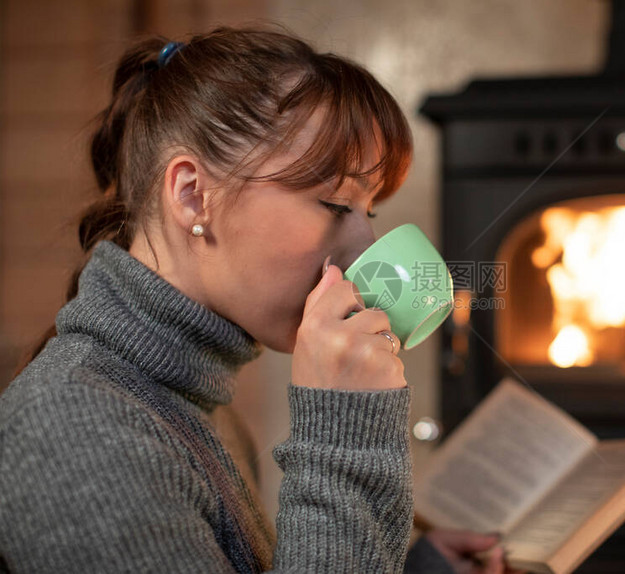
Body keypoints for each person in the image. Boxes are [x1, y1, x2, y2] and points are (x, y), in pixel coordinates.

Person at [0, 24, 524, 574]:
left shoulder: (205, 411)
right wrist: (343, 431)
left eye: (369, 211)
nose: (363, 247)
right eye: (335, 204)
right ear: (192, 195)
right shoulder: (77, 430)